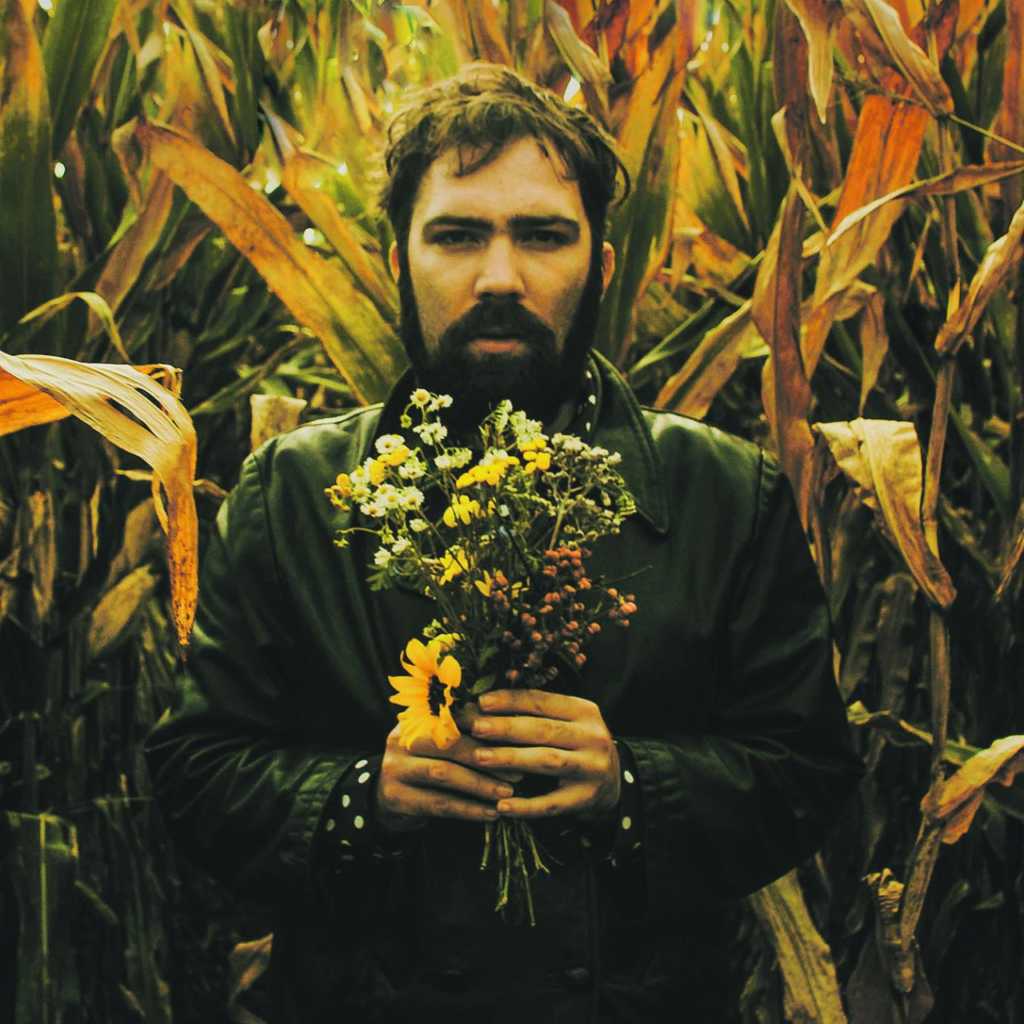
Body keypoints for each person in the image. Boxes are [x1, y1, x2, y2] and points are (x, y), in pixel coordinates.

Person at [146, 65, 863, 1023]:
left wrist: (632, 786)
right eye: (456, 235)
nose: (498, 277)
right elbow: (196, 773)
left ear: (602, 266)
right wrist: (362, 798)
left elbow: (808, 771)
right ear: (398, 262)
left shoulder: (728, 494)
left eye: (543, 236)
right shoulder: (293, 496)